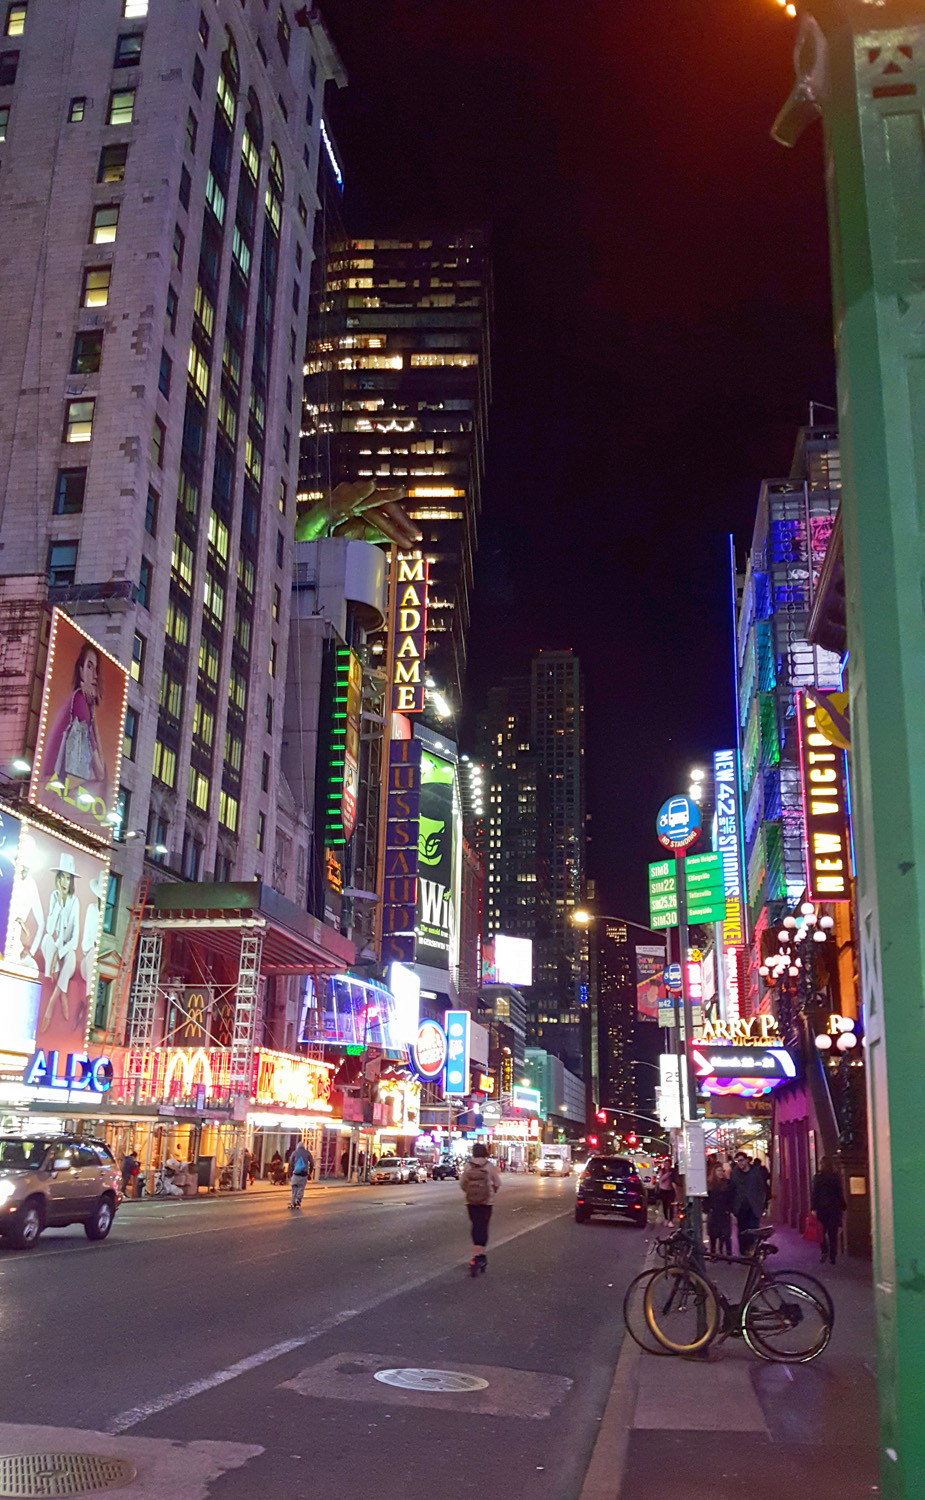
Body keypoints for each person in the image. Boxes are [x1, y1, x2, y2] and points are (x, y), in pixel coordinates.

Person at [43, 641, 108, 802]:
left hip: (51, 788)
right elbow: (101, 773)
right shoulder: (79, 702)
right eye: (89, 667)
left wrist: (92, 712)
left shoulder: (80, 702)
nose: (95, 675)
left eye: (96, 669)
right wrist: (91, 715)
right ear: (80, 670)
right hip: (51, 790)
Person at [39, 854, 81, 1033]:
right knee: (46, 940)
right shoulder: (54, 896)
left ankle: (52, 1001)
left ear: (71, 881)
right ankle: (63, 993)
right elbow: (49, 929)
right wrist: (57, 905)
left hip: (66, 949)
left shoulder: (75, 902)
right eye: (62, 877)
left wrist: (59, 953)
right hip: (54, 945)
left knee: (70, 956)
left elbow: (75, 940)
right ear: (58, 879)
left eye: (68, 878)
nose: (65, 882)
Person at [460, 1142, 501, 1275]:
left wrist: (470, 1192)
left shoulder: (468, 1166)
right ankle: (480, 1255)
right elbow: (497, 1183)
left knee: (475, 1225)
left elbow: (462, 1183)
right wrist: (491, 1192)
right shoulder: (489, 1166)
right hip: (486, 1202)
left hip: (471, 1201)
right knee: (483, 1226)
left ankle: (475, 1254)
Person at [730, 1149, 768, 1253]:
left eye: (741, 1160)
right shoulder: (734, 1174)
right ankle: (743, 1252)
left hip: (754, 1206)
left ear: (747, 1160)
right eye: (738, 1161)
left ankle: (753, 1251)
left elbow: (762, 1189)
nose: (740, 1163)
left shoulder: (755, 1173)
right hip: (740, 1207)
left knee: (754, 1229)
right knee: (742, 1231)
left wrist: (763, 1205)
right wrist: (732, 1208)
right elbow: (731, 1191)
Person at [812, 1156, 847, 1265]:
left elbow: (815, 1193)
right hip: (834, 1208)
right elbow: (839, 1192)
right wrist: (843, 1205)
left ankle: (824, 1250)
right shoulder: (835, 1177)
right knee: (833, 1233)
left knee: (821, 1231)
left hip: (821, 1207)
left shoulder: (818, 1177)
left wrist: (813, 1207)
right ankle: (833, 1256)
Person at [706, 1160, 734, 1256]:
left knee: (726, 1235)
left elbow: (731, 1197)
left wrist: (729, 1209)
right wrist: (708, 1209)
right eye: (718, 1170)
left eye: (722, 1170)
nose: (721, 1173)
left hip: (724, 1212)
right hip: (714, 1212)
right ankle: (713, 1253)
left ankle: (728, 1254)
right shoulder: (710, 1184)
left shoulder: (727, 1183)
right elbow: (707, 1199)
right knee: (713, 1235)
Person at [288, 1140, 313, 1209]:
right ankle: (298, 1200)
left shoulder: (294, 1153)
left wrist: (290, 1174)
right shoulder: (307, 1153)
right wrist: (309, 1173)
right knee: (301, 1188)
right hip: (304, 1174)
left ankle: (292, 1202)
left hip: (296, 1174)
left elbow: (290, 1164)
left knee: (294, 1188)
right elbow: (312, 1163)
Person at [656, 1158, 676, 1224]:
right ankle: (666, 1219)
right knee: (664, 1205)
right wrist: (668, 1174)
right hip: (663, 1190)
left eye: (668, 1164)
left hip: (670, 1190)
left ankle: (671, 1220)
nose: (667, 1165)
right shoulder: (662, 1171)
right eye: (665, 1164)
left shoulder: (672, 1171)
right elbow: (661, 1180)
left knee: (671, 1206)